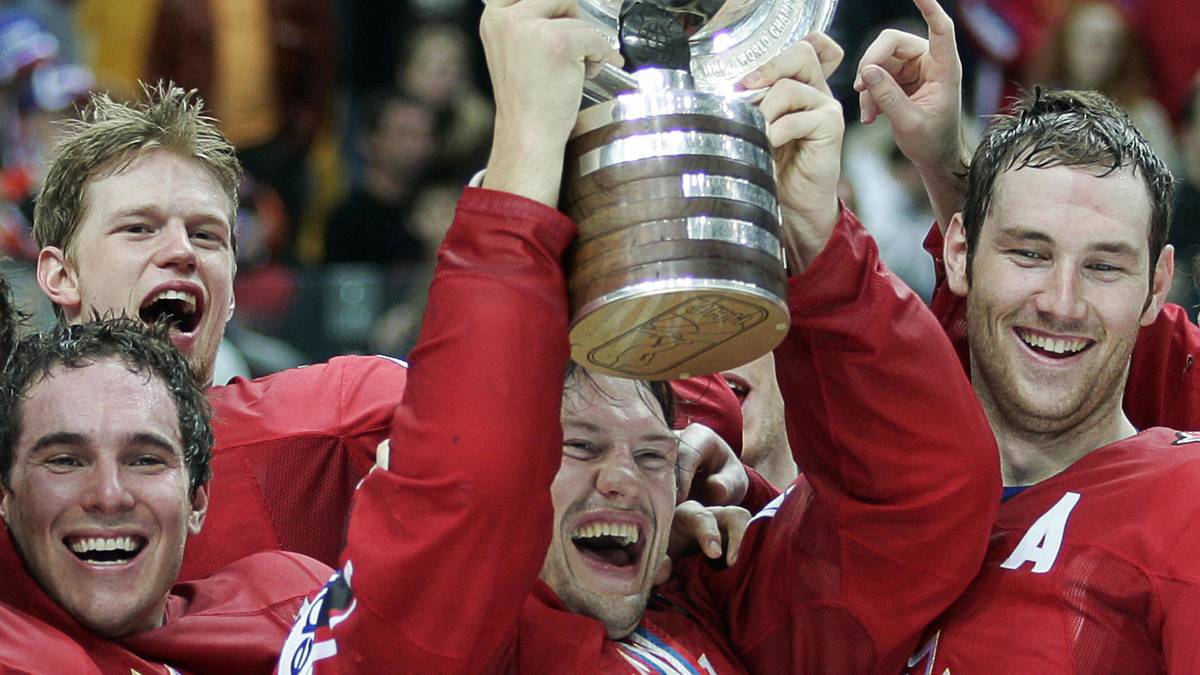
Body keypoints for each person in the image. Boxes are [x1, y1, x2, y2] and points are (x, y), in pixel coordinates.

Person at [275, 0, 1000, 671]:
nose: (624, 479)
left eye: (654, 455)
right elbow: (466, 496)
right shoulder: (418, 629)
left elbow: (926, 503)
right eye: (580, 446)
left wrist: (819, 244)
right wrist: (524, 154)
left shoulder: (713, 603)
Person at [24, 81, 750, 583]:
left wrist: (672, 444)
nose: (183, 251)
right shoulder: (10, 452)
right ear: (59, 274)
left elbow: (584, 407)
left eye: (209, 235)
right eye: (140, 227)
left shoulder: (335, 410)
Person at [856, 0, 1200, 669]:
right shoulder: (854, 503)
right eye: (1030, 255)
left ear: (1158, 285)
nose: (1063, 302)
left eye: (1103, 266)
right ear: (960, 252)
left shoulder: (1186, 500)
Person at [0, 318, 331, 673]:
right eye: (65, 461)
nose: (109, 496)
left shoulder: (297, 605)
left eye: (145, 461)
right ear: (5, 495)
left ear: (197, 500)